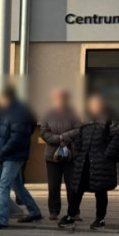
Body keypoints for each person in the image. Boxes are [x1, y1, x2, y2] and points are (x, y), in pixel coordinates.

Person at [60, 94, 119, 230]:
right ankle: (70, 216)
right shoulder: (87, 119)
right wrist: (78, 154)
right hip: (84, 161)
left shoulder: (111, 118)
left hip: (101, 162)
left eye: (97, 104)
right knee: (77, 189)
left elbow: (118, 137)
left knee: (100, 190)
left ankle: (100, 219)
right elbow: (79, 138)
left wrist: (107, 154)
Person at [0, 87, 42, 230]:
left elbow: (17, 137)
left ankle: (2, 219)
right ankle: (34, 211)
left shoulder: (17, 113)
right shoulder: (11, 112)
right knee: (17, 186)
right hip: (12, 154)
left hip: (13, 155)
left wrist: (3, 151)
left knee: (3, 186)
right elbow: (1, 131)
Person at [39, 88, 81, 221]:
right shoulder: (47, 114)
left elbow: (80, 129)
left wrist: (65, 136)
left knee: (72, 186)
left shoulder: (73, 114)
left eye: (62, 98)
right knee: (53, 185)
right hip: (52, 156)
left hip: (70, 155)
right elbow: (43, 132)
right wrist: (58, 139)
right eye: (57, 98)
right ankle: (54, 211)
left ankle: (74, 212)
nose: (60, 101)